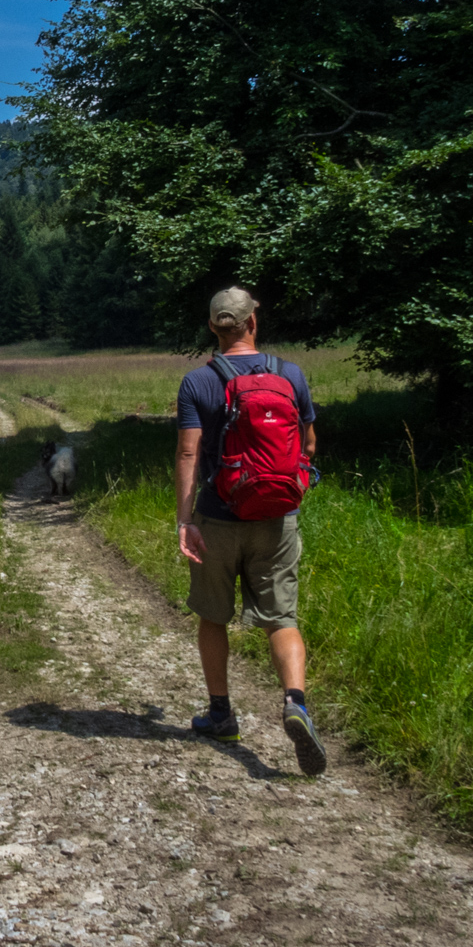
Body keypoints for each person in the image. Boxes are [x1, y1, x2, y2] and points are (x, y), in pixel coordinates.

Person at [174, 286, 328, 775]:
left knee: (213, 616)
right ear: (252, 323)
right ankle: (296, 702)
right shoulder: (291, 374)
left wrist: (184, 519)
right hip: (276, 518)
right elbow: (308, 443)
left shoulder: (198, 381)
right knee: (282, 617)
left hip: (219, 517)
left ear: (214, 329)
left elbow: (188, 454)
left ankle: (221, 714)